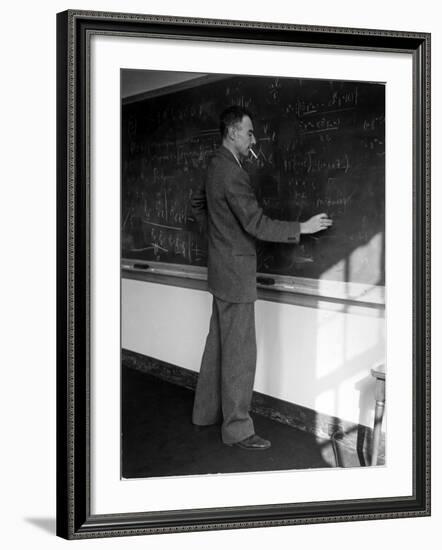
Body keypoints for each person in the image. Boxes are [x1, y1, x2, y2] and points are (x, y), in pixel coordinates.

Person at [191, 105, 332, 450]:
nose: (254, 138)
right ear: (234, 133)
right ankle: (237, 429)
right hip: (236, 275)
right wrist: (302, 227)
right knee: (240, 355)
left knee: (218, 347)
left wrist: (219, 241)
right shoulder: (233, 173)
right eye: (250, 132)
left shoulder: (214, 165)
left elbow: (197, 205)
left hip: (221, 272)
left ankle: (204, 413)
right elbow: (257, 224)